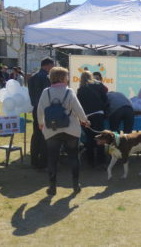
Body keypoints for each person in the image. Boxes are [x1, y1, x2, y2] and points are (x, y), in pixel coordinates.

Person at [37, 67, 90, 196]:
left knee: (52, 158)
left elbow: (40, 110)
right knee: (73, 157)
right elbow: (79, 110)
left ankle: (52, 187)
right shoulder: (69, 91)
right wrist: (85, 121)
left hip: (52, 130)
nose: (68, 79)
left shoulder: (46, 92)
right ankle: (75, 185)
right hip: (70, 129)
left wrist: (41, 124)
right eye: (67, 76)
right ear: (62, 78)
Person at [77, 71, 108, 167]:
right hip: (98, 114)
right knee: (100, 137)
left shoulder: (80, 90)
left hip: (87, 117)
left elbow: (79, 105)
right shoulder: (99, 85)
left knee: (89, 139)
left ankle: (90, 162)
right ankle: (101, 162)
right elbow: (106, 100)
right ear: (91, 76)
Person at [28, 58, 54, 169]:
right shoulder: (46, 78)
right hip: (45, 109)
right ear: (47, 66)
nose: (52, 69)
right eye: (52, 66)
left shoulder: (32, 77)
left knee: (36, 135)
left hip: (35, 108)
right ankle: (43, 162)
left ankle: (34, 160)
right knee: (45, 136)